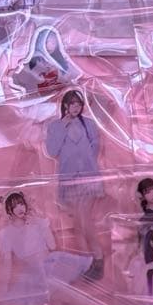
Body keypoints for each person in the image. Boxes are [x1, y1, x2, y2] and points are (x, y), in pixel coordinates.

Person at [44, 90, 106, 277]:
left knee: (84, 218)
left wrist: (85, 164)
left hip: (88, 176)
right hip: (69, 178)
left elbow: (95, 147)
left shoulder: (89, 124)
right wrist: (63, 126)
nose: (76, 107)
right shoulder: (55, 126)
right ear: (65, 105)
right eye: (72, 103)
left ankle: (98, 257)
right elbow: (52, 150)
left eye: (79, 104)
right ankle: (87, 262)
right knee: (79, 222)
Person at [0, 191, 96, 297]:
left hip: (51, 264)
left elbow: (52, 246)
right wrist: (3, 287)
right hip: (33, 273)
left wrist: (41, 224)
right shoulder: (5, 233)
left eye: (21, 204)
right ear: (8, 209)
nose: (20, 208)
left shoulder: (38, 223)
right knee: (43, 298)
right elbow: (7, 263)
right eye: (15, 206)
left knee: (66, 294)